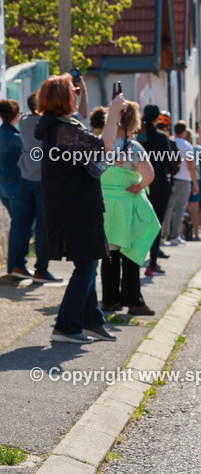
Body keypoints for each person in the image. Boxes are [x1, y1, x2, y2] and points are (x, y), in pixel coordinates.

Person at [37, 74, 123, 343]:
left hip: (75, 205)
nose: (76, 95)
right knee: (86, 265)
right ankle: (66, 326)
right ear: (63, 98)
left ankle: (91, 321)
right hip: (74, 208)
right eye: (73, 92)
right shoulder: (63, 130)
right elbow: (102, 148)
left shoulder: (62, 127)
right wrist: (113, 115)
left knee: (88, 262)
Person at [100, 100, 160, 316]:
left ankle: (109, 301)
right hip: (126, 204)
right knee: (132, 252)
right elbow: (149, 175)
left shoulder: (101, 143)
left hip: (105, 204)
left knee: (109, 254)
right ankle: (134, 301)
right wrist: (139, 187)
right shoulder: (133, 147)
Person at [13, 93, 59, 283]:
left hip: (26, 178)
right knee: (43, 226)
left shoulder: (23, 121)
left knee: (24, 225)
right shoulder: (49, 124)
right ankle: (41, 269)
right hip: (44, 181)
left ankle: (18, 265)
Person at [137, 105, 176, 277]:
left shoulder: (138, 137)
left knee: (140, 223)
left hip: (140, 183)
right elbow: (169, 162)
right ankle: (152, 262)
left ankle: (137, 258)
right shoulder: (161, 137)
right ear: (157, 118)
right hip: (160, 184)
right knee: (156, 224)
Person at [0, 100, 26, 278]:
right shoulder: (14, 138)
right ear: (16, 115)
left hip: (2, 184)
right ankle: (16, 265)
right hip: (15, 184)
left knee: (17, 224)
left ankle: (14, 265)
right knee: (20, 225)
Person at [163, 122, 198, 245]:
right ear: (184, 132)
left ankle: (163, 235)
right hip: (183, 179)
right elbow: (190, 165)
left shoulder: (169, 141)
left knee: (168, 208)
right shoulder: (187, 145)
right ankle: (175, 235)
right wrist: (195, 182)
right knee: (180, 208)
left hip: (170, 179)